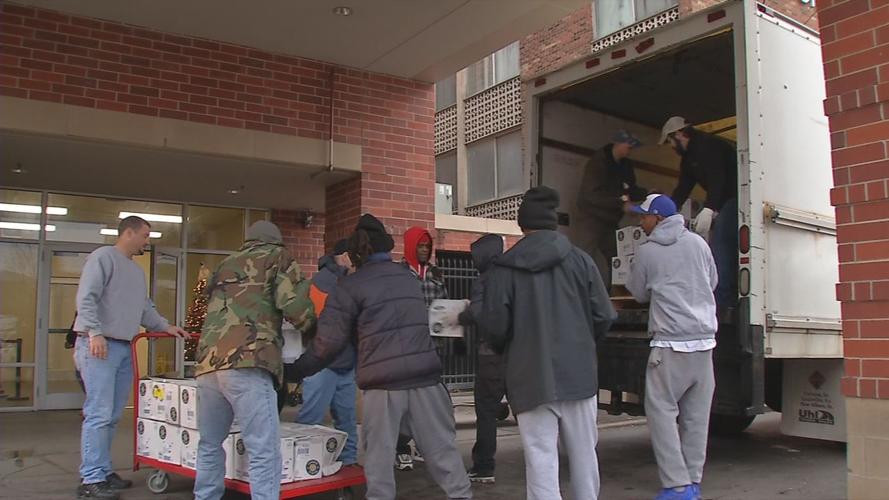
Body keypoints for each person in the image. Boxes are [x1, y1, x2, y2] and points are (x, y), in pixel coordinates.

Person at [293, 214, 472, 500]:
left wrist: (295, 371)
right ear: (386, 250)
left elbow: (327, 343)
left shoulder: (350, 286)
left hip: (383, 384)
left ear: (354, 255)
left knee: (379, 460)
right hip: (425, 377)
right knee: (442, 451)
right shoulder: (407, 278)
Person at [478, 186, 616, 500]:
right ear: (553, 222)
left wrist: (510, 350)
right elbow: (605, 315)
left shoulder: (504, 268)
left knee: (540, 460)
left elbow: (495, 327)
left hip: (528, 379)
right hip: (579, 376)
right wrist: (582, 344)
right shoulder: (581, 261)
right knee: (584, 456)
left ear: (521, 224)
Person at [193, 221, 315, 500]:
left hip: (209, 365)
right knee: (263, 448)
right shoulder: (277, 257)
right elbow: (294, 306)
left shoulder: (225, 263)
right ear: (276, 240)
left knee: (210, 443)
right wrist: (314, 330)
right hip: (249, 362)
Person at [73, 216, 188, 500]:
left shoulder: (136, 272)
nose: (147, 241)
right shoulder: (103, 258)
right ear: (128, 233)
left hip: (123, 347)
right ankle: (91, 479)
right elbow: (86, 297)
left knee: (112, 415)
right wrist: (94, 333)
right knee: (98, 413)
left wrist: (165, 326)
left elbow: (144, 309)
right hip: (99, 345)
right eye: (145, 235)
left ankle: (102, 470)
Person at [625, 194, 717, 500]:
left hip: (670, 346)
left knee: (662, 414)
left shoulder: (647, 251)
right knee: (696, 419)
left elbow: (638, 293)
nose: (641, 222)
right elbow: (712, 282)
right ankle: (693, 481)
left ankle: (677, 485)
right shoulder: (699, 244)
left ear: (659, 218)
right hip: (704, 344)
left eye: (644, 216)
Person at [660, 116, 737, 311]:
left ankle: (722, 305)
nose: (670, 146)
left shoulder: (708, 146)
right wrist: (665, 212)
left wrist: (710, 208)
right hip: (720, 202)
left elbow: (718, 178)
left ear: (678, 134)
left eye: (669, 140)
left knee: (720, 244)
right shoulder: (688, 159)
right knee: (714, 245)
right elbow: (682, 189)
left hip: (736, 198)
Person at [295, 239, 358, 466]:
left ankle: (344, 462)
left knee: (343, 418)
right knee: (315, 418)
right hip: (325, 363)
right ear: (343, 256)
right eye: (354, 257)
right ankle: (303, 463)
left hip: (336, 361)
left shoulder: (340, 281)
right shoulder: (323, 283)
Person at [397, 226, 449, 470]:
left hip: (432, 347)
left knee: (429, 401)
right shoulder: (398, 273)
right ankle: (401, 447)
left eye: (428, 246)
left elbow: (445, 306)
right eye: (420, 246)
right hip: (406, 347)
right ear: (410, 246)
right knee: (404, 401)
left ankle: (423, 445)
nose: (425, 250)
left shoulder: (436, 274)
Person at [457, 234, 506, 484]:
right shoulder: (513, 276)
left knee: (486, 411)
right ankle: (543, 458)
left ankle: (484, 466)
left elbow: (476, 313)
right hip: (519, 355)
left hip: (490, 356)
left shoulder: (482, 281)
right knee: (529, 411)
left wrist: (460, 316)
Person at [575, 130, 647, 287]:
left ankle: (611, 299)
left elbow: (630, 189)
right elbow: (591, 195)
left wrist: (648, 193)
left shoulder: (626, 165)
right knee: (583, 255)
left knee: (618, 259)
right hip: (591, 217)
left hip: (610, 219)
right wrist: (621, 204)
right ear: (618, 143)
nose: (631, 149)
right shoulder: (598, 162)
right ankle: (576, 297)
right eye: (629, 145)